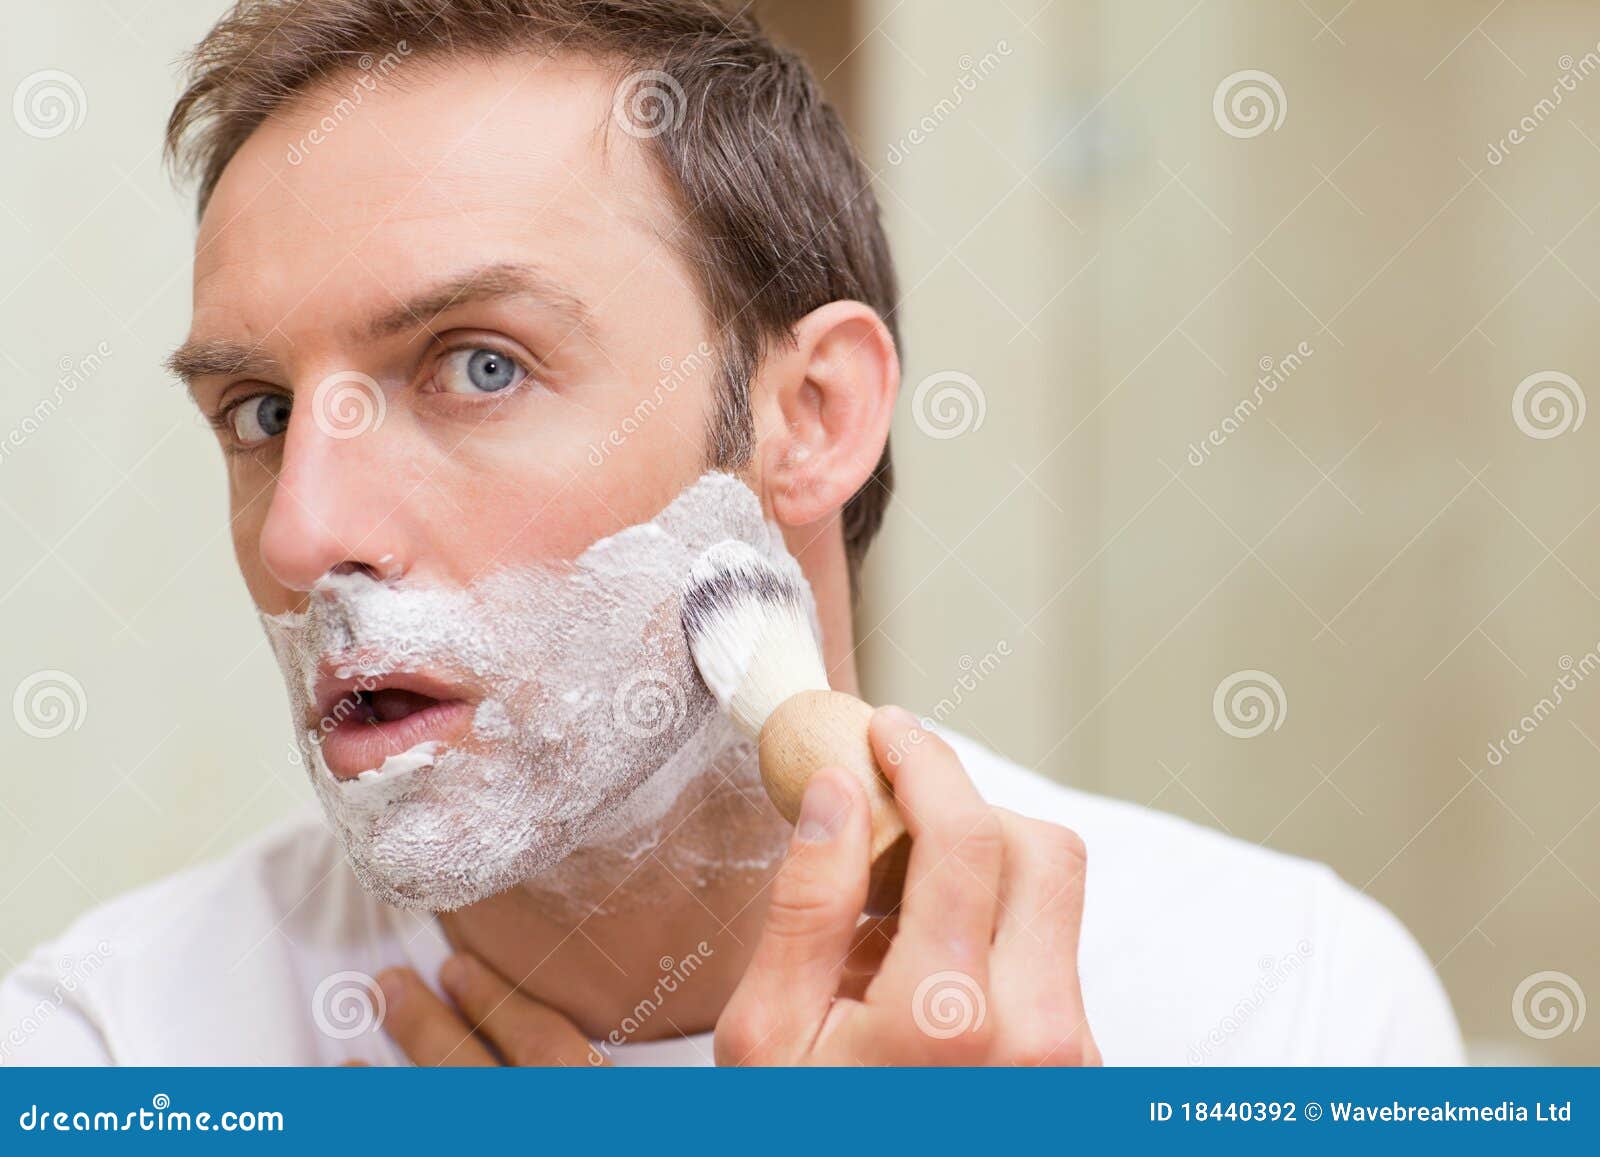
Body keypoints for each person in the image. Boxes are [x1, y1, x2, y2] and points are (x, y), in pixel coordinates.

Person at [0, 0, 1460, 1067]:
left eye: (479, 364)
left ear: (812, 415)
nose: (303, 534)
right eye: (256, 411)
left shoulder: (1285, 1007)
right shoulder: (110, 1049)